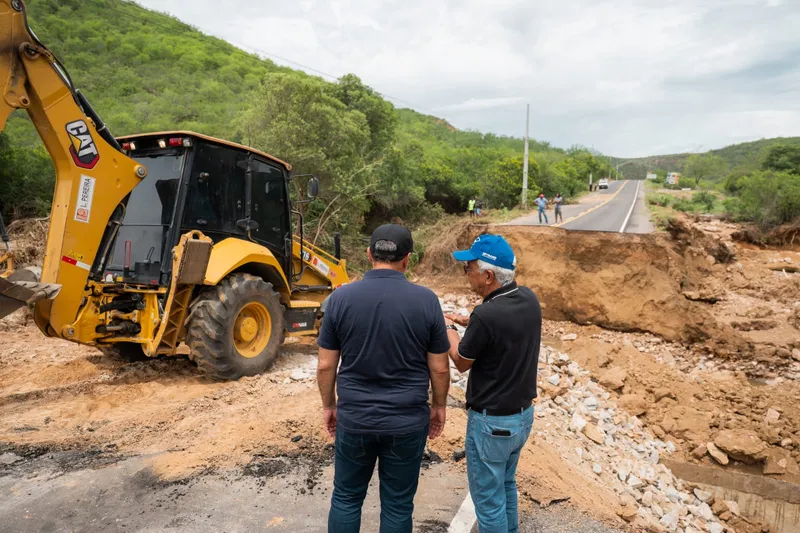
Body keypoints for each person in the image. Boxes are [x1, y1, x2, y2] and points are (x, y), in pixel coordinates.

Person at [317, 223, 451, 533]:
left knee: (347, 498)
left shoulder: (340, 298)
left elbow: (325, 366)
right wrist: (439, 405)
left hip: (355, 418)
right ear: (407, 259)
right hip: (406, 422)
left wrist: (329, 405)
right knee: (397, 505)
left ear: (369, 254)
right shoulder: (426, 300)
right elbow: (440, 368)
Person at [443, 234, 542, 533]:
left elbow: (461, 361)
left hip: (491, 425)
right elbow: (500, 326)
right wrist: (468, 320)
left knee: (488, 503)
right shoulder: (528, 299)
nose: (466, 273)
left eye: (469, 268)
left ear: (488, 276)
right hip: (522, 418)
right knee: (506, 484)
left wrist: (448, 327)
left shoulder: (486, 315)